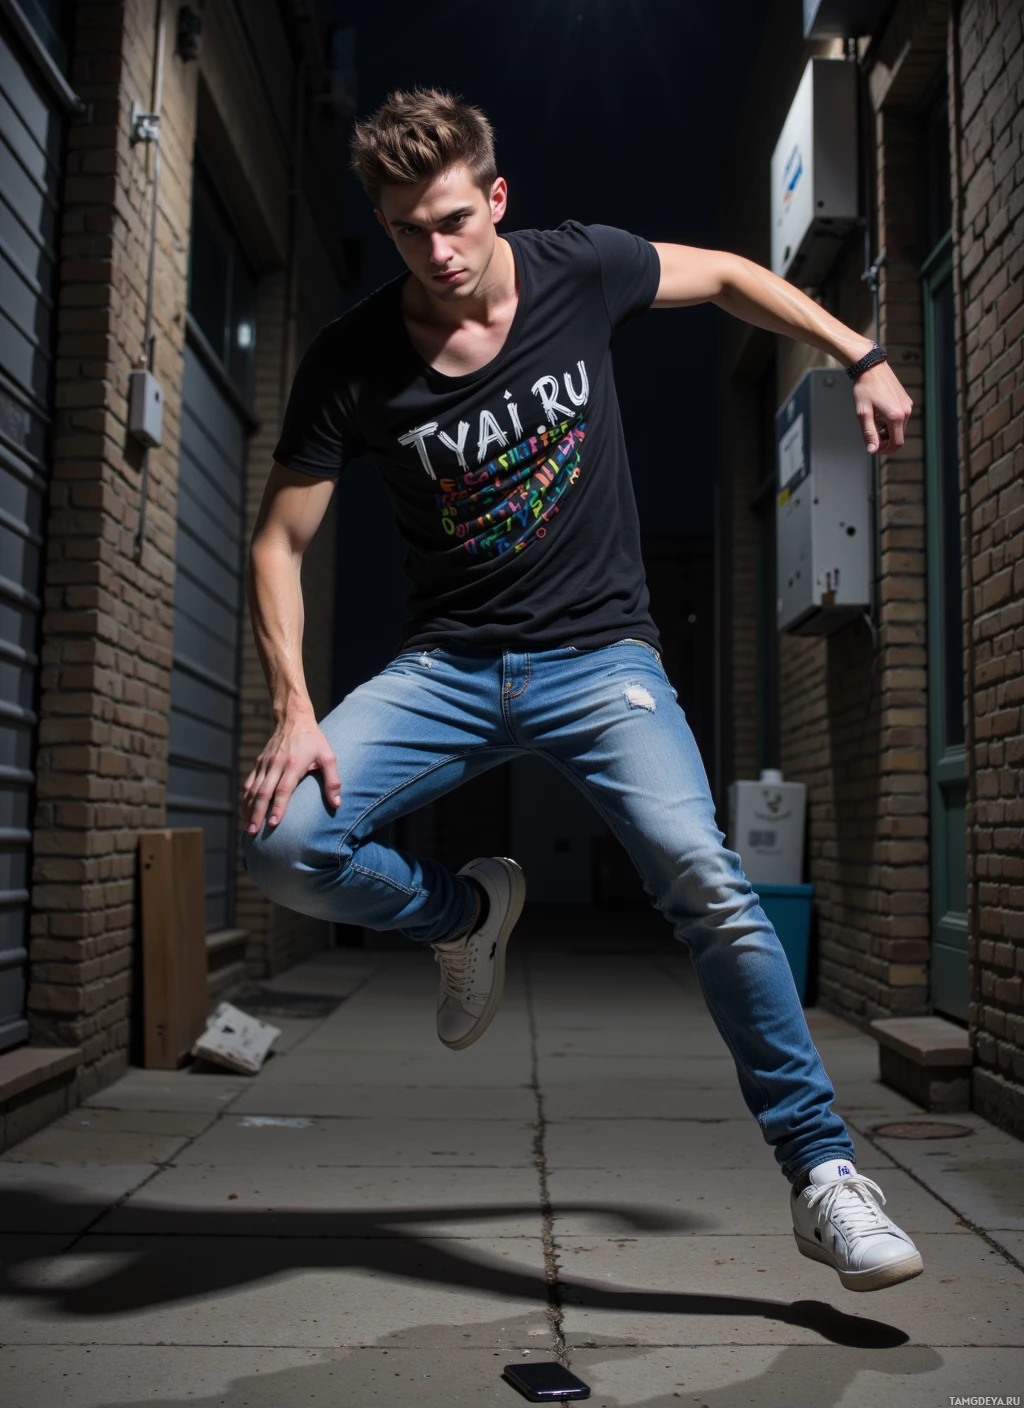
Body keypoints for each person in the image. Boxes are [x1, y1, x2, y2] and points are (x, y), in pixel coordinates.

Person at [240, 87, 922, 1293]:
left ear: (497, 199)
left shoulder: (578, 268)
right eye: (406, 231)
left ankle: (823, 1175)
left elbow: (721, 274)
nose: (436, 253)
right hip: (445, 667)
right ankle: (461, 919)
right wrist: (294, 705)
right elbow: (278, 543)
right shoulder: (351, 359)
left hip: (603, 659)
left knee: (707, 881)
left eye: (452, 219)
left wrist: (858, 352)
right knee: (287, 842)